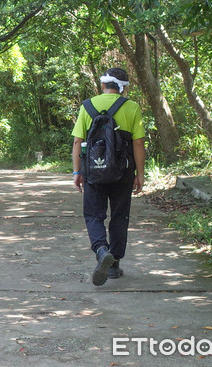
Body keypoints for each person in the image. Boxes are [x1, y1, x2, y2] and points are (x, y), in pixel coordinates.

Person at [71, 67, 146, 286]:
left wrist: (77, 172)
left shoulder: (87, 106)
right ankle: (114, 265)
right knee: (120, 216)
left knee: (94, 215)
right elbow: (138, 143)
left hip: (94, 172)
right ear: (123, 88)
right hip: (122, 172)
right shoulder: (131, 107)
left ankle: (101, 250)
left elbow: (78, 142)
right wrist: (139, 174)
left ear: (103, 85)